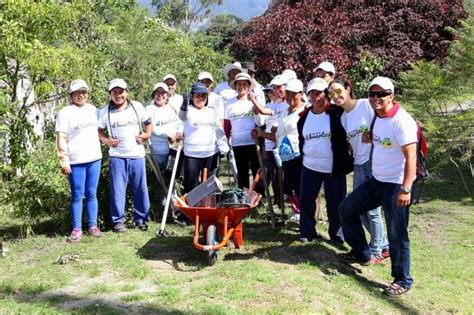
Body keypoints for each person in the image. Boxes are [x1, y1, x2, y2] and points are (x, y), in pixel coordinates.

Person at [338, 76, 418, 297]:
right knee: (347, 209)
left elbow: (411, 158)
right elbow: (383, 142)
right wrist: (370, 136)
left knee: (397, 233)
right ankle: (362, 252)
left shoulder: (402, 121)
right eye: (372, 94)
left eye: (381, 94)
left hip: (396, 186)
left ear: (391, 95)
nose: (376, 98)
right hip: (377, 181)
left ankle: (402, 279)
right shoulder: (377, 117)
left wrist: (406, 189)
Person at [328, 77, 390, 263]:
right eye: (331, 94)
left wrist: (374, 134)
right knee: (357, 208)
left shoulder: (364, 105)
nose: (335, 96)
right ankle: (385, 245)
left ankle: (377, 250)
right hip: (359, 163)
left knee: (372, 210)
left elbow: (386, 118)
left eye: (338, 91)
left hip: (373, 160)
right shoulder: (344, 117)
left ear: (348, 88)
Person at [297, 78, 353, 245]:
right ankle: (307, 231)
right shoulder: (304, 117)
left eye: (319, 92)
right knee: (306, 200)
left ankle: (336, 235)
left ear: (326, 94)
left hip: (333, 167)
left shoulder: (336, 113)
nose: (316, 97)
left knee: (336, 202)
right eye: (312, 93)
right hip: (310, 165)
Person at [98, 78, 152, 232]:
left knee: (140, 188)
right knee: (118, 189)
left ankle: (141, 219)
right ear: (110, 94)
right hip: (117, 156)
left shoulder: (137, 107)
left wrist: (146, 135)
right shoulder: (105, 112)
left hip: (137, 155)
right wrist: (107, 141)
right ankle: (118, 222)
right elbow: (98, 131)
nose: (118, 95)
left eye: (121, 92)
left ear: (126, 92)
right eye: (114, 92)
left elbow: (148, 122)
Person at [55, 79, 103, 242]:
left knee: (91, 193)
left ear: (87, 94)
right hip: (75, 161)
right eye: (77, 92)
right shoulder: (64, 113)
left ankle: (93, 226)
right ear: (72, 94)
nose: (81, 95)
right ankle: (76, 229)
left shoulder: (94, 111)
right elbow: (61, 137)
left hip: (94, 158)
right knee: (77, 195)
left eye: (84, 92)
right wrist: (64, 160)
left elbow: (101, 130)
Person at [252, 79, 305, 221]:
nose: (289, 97)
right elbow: (277, 136)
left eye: (293, 94)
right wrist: (262, 134)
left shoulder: (305, 111)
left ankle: (308, 218)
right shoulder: (284, 113)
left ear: (300, 94)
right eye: (287, 93)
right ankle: (297, 213)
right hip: (286, 157)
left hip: (300, 156)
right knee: (291, 187)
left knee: (303, 189)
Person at [179, 82, 228, 194]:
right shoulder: (187, 110)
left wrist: (224, 147)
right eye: (197, 95)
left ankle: (208, 210)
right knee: (192, 187)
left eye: (203, 96)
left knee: (210, 186)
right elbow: (181, 116)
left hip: (211, 153)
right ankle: (190, 211)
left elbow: (218, 130)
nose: (200, 98)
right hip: (192, 154)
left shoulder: (211, 111)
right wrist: (184, 103)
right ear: (192, 96)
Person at [224, 73, 262, 190]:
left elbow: (260, 122)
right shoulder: (229, 103)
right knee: (242, 171)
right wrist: (227, 140)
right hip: (237, 142)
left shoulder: (253, 101)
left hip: (253, 141)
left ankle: (259, 196)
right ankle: (243, 196)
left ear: (249, 86)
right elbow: (227, 124)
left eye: (244, 84)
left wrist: (256, 110)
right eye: (239, 84)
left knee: (256, 169)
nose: (241, 86)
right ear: (235, 86)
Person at [145, 82, 183, 170]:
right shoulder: (149, 109)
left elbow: (179, 123)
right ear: (153, 94)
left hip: (173, 149)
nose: (160, 95)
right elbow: (151, 128)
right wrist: (167, 135)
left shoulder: (171, 108)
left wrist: (179, 132)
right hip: (157, 151)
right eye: (157, 93)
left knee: (171, 174)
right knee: (158, 175)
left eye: (163, 93)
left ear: (167, 95)